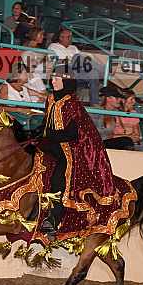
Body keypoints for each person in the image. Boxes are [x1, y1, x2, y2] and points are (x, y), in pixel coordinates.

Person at [37, 63, 117, 236]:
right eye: (53, 78)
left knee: (59, 178)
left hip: (72, 149)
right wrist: (39, 133)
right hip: (53, 143)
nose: (53, 81)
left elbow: (72, 133)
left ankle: (54, 218)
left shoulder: (72, 103)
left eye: (57, 78)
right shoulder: (50, 99)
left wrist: (49, 135)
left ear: (67, 81)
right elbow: (46, 123)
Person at [48, 27, 100, 106]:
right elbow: (51, 61)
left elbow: (83, 59)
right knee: (76, 57)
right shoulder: (53, 46)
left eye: (71, 37)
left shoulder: (73, 47)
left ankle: (94, 103)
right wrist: (69, 61)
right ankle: (102, 68)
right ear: (61, 38)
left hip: (76, 71)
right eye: (68, 37)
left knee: (93, 73)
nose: (71, 39)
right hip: (63, 70)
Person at [98, 83, 135, 150]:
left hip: (106, 142)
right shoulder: (96, 112)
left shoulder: (115, 112)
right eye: (117, 98)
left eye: (120, 98)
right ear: (108, 98)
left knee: (127, 141)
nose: (120, 100)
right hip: (97, 142)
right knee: (126, 141)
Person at [21, 28, 48, 101]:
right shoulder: (25, 48)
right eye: (41, 35)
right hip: (29, 75)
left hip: (36, 74)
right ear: (34, 35)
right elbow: (29, 65)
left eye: (43, 35)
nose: (43, 37)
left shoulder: (39, 49)